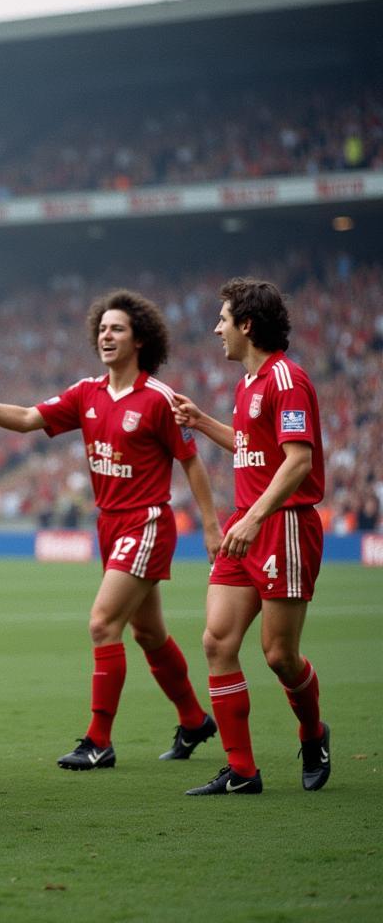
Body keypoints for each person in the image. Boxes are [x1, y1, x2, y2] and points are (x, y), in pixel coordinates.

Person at [0, 290, 222, 771]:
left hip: (146, 522)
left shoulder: (159, 399)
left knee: (103, 623)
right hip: (110, 524)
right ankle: (193, 720)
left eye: (117, 328)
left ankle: (98, 740)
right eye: (102, 328)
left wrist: (210, 526)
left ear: (139, 339)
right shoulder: (87, 393)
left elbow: (192, 462)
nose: (106, 334)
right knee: (148, 633)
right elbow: (24, 420)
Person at [174, 278, 329, 796]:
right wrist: (203, 422)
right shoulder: (248, 384)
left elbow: (299, 461)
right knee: (217, 641)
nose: (216, 328)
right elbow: (249, 445)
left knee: (279, 656)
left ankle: (313, 733)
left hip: (280, 525)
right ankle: (242, 771)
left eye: (223, 319)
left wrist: (255, 517)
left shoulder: (288, 379)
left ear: (247, 324)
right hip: (250, 525)